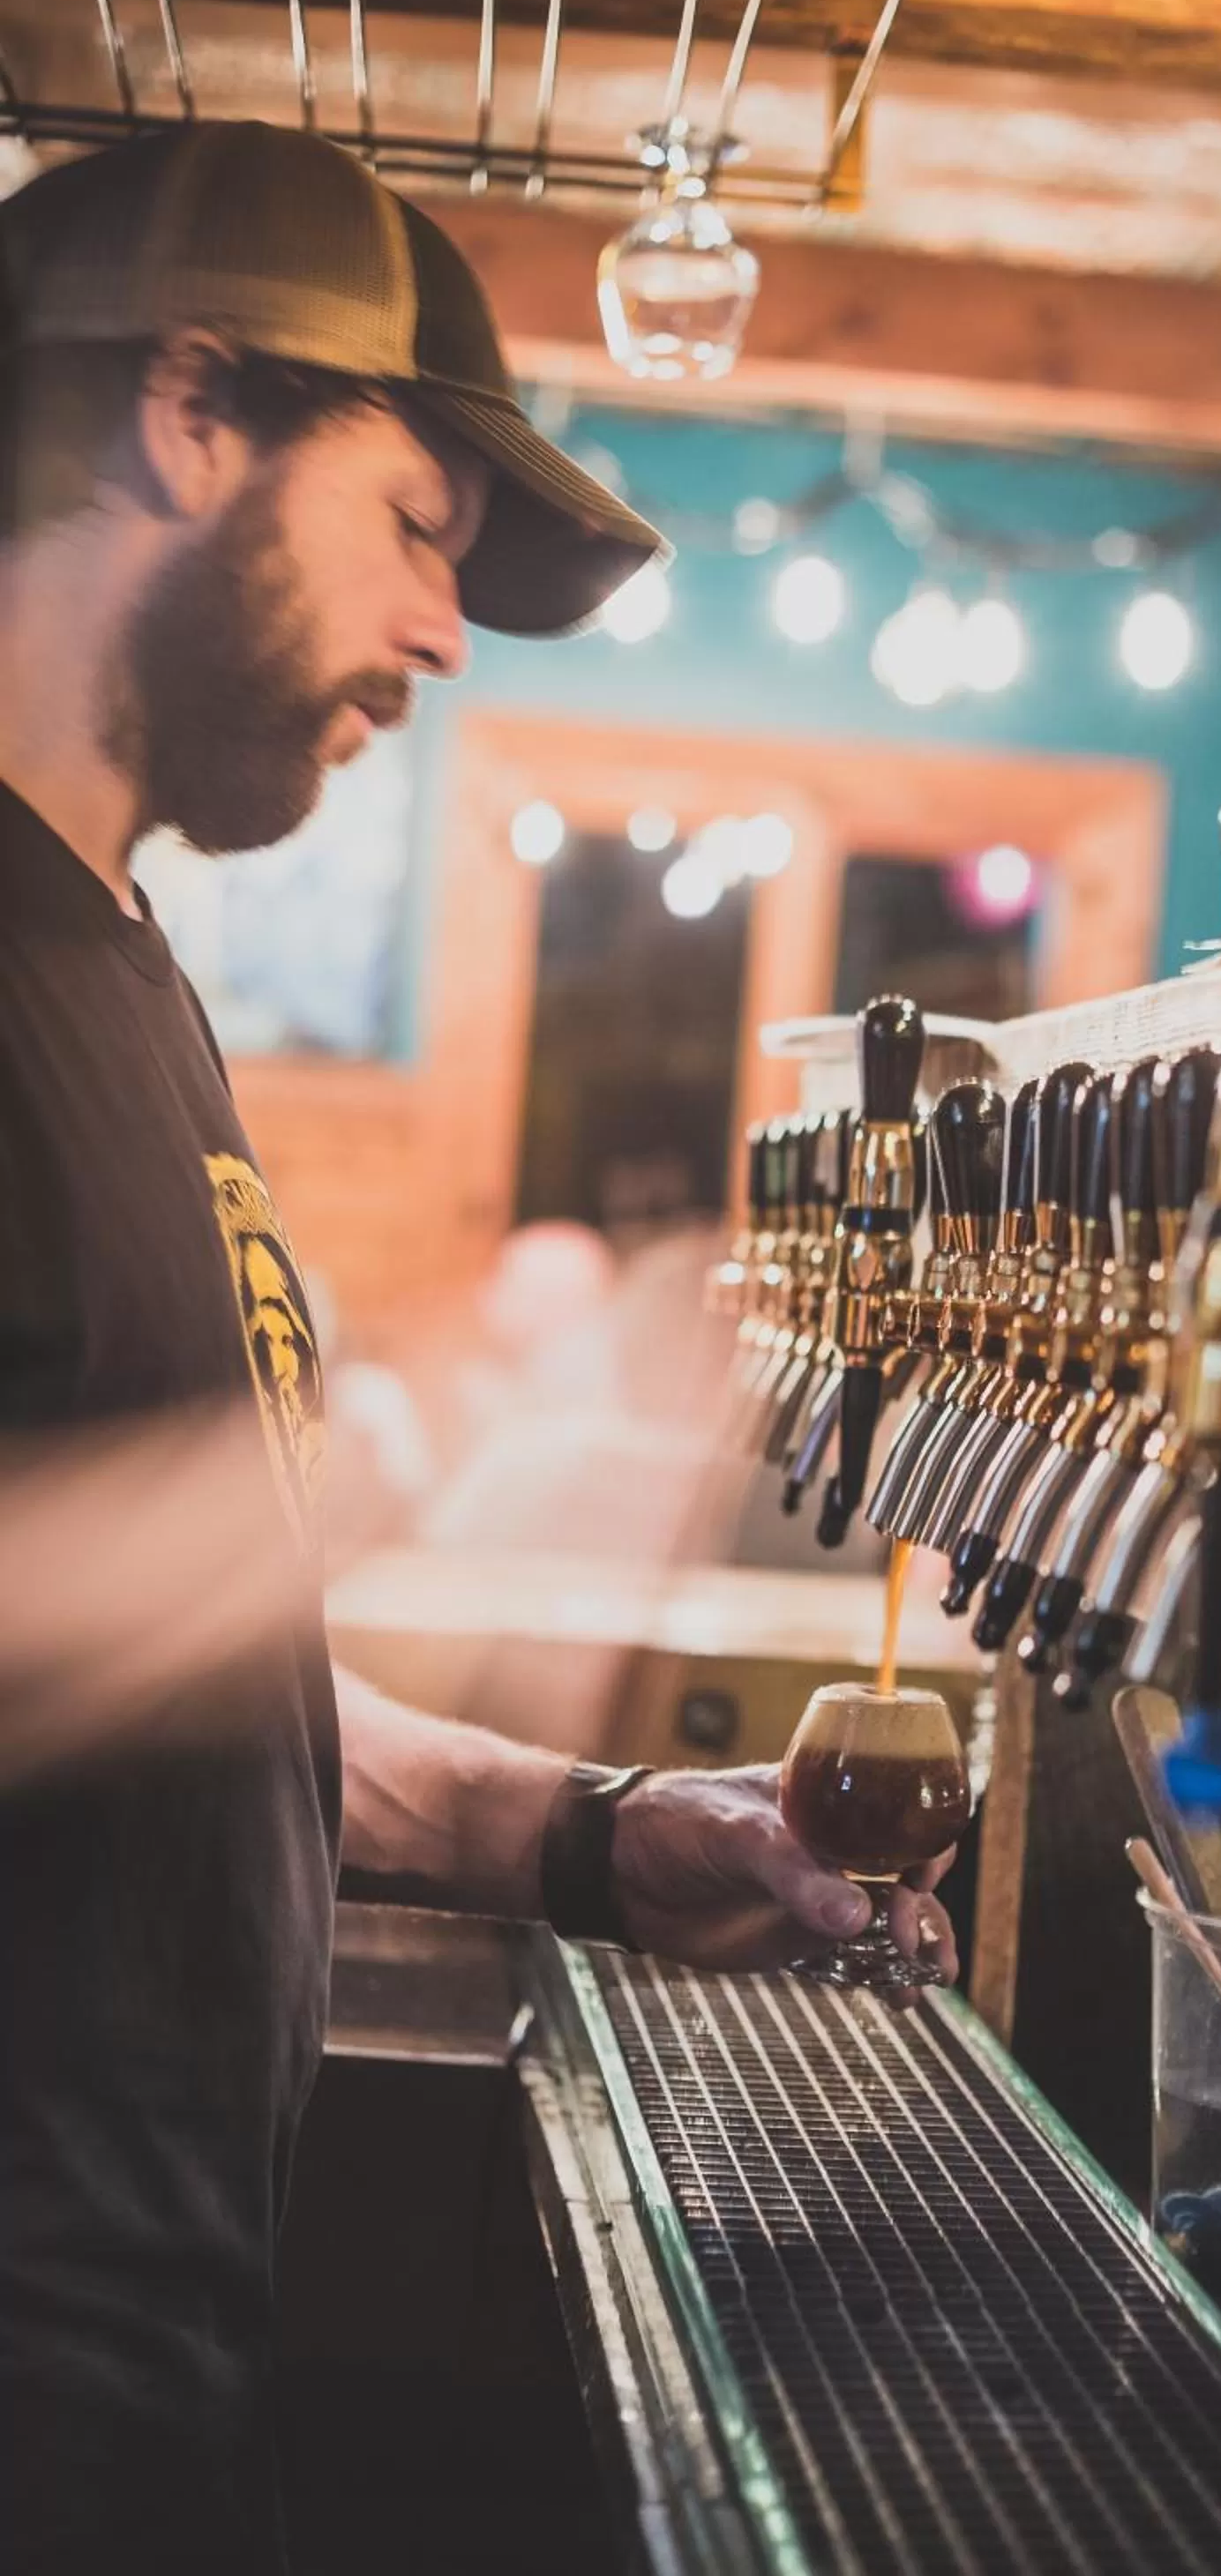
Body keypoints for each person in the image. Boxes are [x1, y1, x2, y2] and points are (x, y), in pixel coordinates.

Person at [0, 123, 956, 2575]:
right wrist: (457, 1413)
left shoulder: (120, 969)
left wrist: (594, 1841)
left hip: (153, 2335)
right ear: (191, 417)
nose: (445, 638)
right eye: (418, 528)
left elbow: (210, 1679)